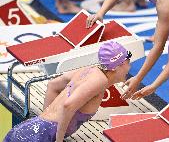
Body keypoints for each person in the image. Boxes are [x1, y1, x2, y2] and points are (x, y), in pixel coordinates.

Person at [4, 41, 132, 142]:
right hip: (39, 137)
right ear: (116, 66)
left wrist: (44, 119)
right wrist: (58, 140)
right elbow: (68, 105)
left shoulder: (89, 70)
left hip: (31, 128)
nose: (130, 67)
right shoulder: (100, 81)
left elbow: (53, 85)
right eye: (128, 62)